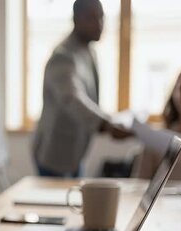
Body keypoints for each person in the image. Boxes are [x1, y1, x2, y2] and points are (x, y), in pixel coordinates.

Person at [32, 0, 132, 178]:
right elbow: (72, 98)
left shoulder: (88, 51)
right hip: (55, 154)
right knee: (58, 204)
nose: (99, 24)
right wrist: (106, 125)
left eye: (101, 17)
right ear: (75, 20)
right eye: (92, 18)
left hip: (76, 153)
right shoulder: (63, 56)